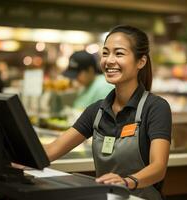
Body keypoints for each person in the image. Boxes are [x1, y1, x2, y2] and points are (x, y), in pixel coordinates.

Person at [44, 25, 171, 200]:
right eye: (105, 53)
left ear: (141, 62)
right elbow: (52, 149)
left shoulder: (156, 107)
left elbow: (158, 167)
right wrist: (17, 158)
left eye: (119, 54)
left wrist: (127, 182)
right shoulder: (96, 111)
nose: (109, 61)